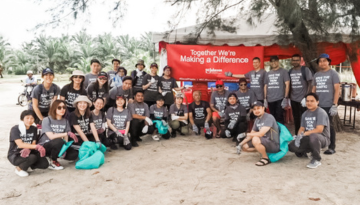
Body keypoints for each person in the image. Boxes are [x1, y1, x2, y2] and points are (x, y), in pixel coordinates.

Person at [288, 93, 330, 169]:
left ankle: (316, 159)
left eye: (312, 101)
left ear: (317, 102)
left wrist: (304, 134)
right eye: (307, 101)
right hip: (308, 137)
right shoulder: (305, 114)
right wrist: (298, 137)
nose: (309, 103)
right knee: (292, 147)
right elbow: (302, 128)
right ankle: (308, 150)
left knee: (313, 136)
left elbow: (319, 130)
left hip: (322, 138)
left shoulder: (321, 112)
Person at [312, 53, 340, 155]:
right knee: (317, 125)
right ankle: (320, 144)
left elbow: (337, 89)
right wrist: (310, 100)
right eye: (320, 61)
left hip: (328, 104)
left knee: (329, 126)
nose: (322, 63)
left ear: (328, 62)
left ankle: (332, 147)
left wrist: (334, 105)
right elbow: (313, 90)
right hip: (318, 105)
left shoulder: (333, 74)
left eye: (324, 61)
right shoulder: (316, 75)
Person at [237, 101, 280, 166]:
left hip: (273, 143)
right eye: (254, 109)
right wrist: (240, 144)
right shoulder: (257, 120)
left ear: (263, 108)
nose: (256, 110)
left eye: (258, 108)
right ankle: (262, 150)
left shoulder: (269, 117)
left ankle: (265, 158)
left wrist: (245, 134)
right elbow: (252, 134)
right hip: (264, 141)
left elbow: (261, 134)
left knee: (255, 138)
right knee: (245, 147)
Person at [39, 100, 79, 170]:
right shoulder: (46, 119)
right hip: (46, 145)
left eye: (64, 107)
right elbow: (51, 136)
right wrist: (66, 134)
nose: (62, 110)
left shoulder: (65, 121)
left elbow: (66, 137)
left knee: (74, 155)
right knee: (59, 141)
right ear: (54, 108)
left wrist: (65, 148)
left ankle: (57, 154)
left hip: (59, 144)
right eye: (59, 108)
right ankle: (53, 161)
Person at [8, 110, 48, 177]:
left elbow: (33, 143)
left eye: (32, 118)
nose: (29, 120)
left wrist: (30, 148)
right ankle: (19, 169)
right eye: (27, 118)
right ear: (22, 118)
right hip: (16, 154)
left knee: (44, 164)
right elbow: (20, 144)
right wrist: (36, 147)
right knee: (33, 157)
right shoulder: (15, 129)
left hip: (29, 152)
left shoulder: (34, 129)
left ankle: (27, 165)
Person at [289, 54, 313, 134]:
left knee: (305, 118)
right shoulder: (290, 71)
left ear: (300, 61)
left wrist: (306, 97)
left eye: (297, 60)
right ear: (291, 61)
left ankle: (305, 135)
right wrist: (288, 98)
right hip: (293, 99)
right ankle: (297, 134)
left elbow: (310, 83)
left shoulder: (305, 70)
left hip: (303, 99)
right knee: (296, 118)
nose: (295, 62)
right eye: (293, 60)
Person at [264, 55, 290, 124]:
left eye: (275, 61)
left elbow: (287, 84)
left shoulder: (283, 71)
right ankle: (275, 133)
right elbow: (265, 86)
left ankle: (281, 133)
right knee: (272, 118)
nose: (273, 63)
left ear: (278, 62)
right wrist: (265, 99)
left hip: (280, 98)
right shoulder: (268, 73)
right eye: (272, 61)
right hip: (270, 99)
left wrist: (285, 98)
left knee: (280, 117)